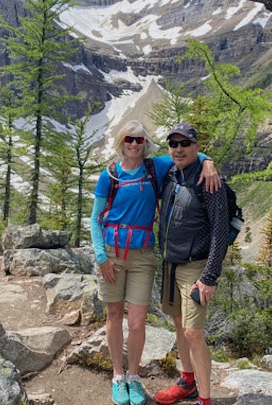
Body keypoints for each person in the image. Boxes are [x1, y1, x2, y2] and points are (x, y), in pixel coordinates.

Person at [90, 120, 220, 405]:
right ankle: (117, 376)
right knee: (113, 316)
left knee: (136, 322)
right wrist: (101, 257)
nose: (134, 144)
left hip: (143, 256)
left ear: (145, 143)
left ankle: (134, 377)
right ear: (121, 141)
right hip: (111, 253)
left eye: (139, 140)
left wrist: (208, 162)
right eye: (129, 139)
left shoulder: (155, 167)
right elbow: (95, 219)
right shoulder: (109, 175)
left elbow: (189, 153)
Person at [154, 122, 229, 405]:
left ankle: (205, 399)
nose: (178, 149)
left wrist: (210, 276)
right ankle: (187, 382)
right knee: (178, 322)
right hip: (171, 263)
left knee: (193, 331)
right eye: (173, 144)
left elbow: (220, 231)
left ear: (196, 146)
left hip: (195, 266)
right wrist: (206, 158)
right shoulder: (171, 172)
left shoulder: (209, 182)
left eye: (185, 143)